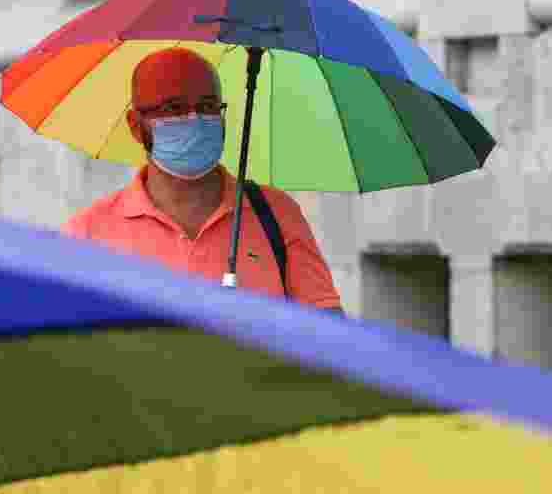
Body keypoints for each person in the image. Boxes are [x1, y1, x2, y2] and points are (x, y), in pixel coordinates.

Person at [62, 47, 343, 312]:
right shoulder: (87, 234)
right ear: (136, 126)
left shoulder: (276, 214)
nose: (194, 119)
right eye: (174, 108)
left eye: (208, 106)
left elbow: (331, 335)